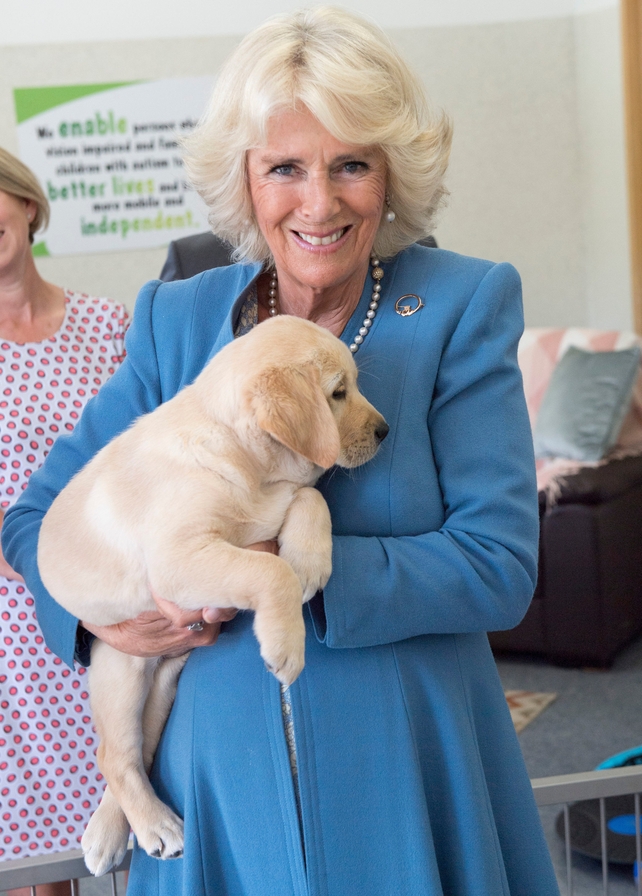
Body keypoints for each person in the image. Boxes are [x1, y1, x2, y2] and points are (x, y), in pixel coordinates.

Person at [3, 8, 561, 895]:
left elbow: (497, 565)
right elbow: (33, 520)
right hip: (217, 785)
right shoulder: (178, 319)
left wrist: (280, 569)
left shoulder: (462, 304)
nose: (319, 202)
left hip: (405, 764)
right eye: (285, 168)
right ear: (246, 180)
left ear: (392, 174)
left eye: (351, 164)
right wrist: (102, 615)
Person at [0, 147, 129, 896]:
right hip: (12, 635)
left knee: (127, 820)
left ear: (26, 204)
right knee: (32, 869)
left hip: (108, 607)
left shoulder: (110, 326)